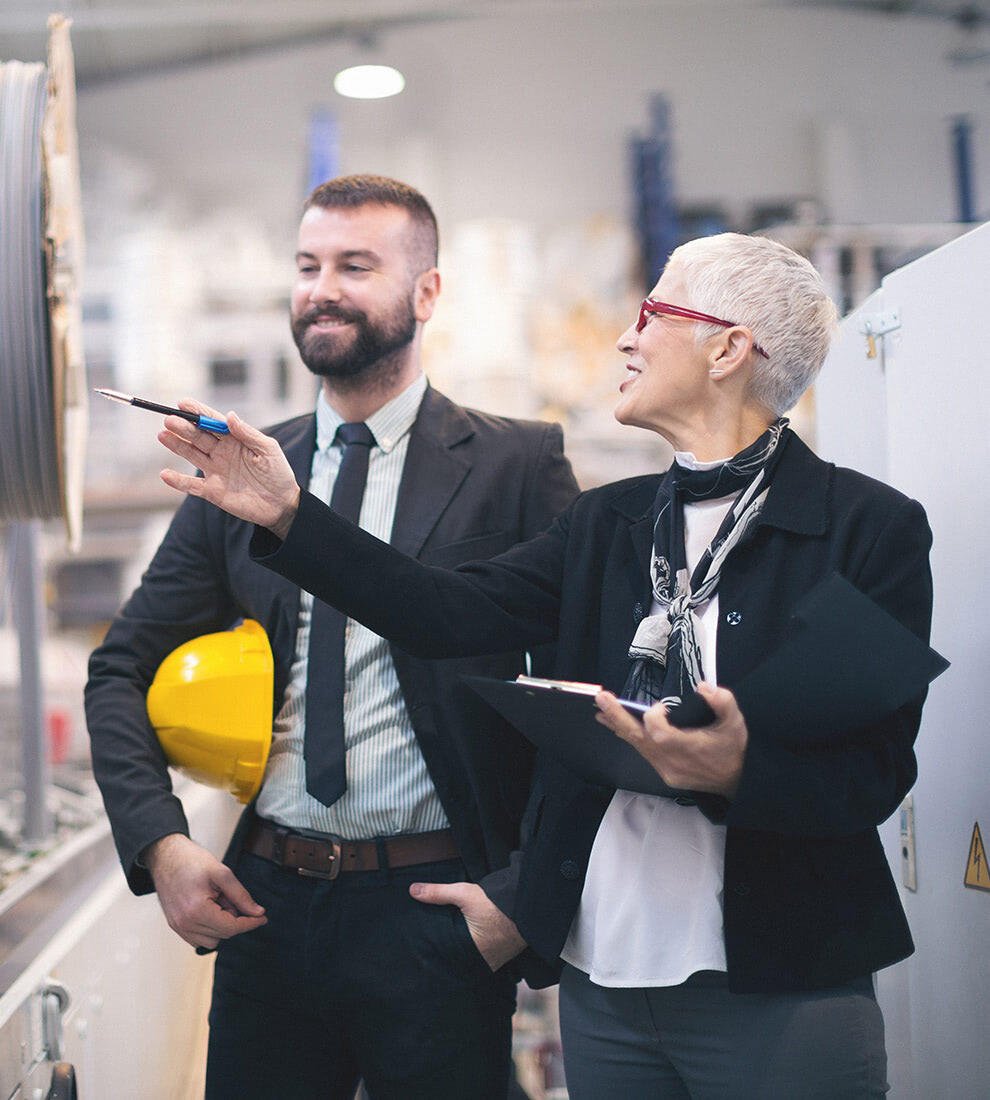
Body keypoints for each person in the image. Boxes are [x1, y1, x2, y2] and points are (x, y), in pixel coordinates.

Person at [157, 231, 934, 1100]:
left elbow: (872, 772)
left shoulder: (866, 529)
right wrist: (290, 515)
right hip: (607, 987)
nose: (626, 338)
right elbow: (442, 611)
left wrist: (738, 768)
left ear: (727, 350)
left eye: (652, 314)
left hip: (780, 985)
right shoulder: (610, 524)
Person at [85, 174, 579, 1100]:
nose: (322, 289)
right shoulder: (236, 470)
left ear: (427, 292)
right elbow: (120, 668)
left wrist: (519, 898)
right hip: (268, 904)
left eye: (356, 266)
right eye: (307, 265)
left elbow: (579, 698)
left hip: (437, 908)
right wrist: (163, 846)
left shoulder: (516, 464)